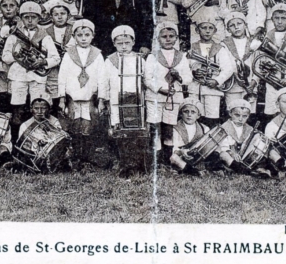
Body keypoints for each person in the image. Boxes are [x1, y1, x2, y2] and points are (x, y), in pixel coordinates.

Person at [2, 1, 60, 136]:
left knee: (38, 107)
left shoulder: (44, 36)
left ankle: (37, 138)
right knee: (17, 108)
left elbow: (56, 58)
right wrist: (18, 56)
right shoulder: (13, 35)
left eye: (33, 17)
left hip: (37, 77)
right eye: (26, 17)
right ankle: (16, 139)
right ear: (21, 18)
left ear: (39, 18)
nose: (29, 20)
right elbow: (5, 56)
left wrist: (42, 61)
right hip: (18, 75)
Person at [99, 26, 149, 178]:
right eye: (120, 43)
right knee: (121, 132)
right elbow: (103, 82)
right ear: (114, 43)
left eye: (127, 42)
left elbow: (146, 79)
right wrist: (102, 100)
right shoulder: (110, 61)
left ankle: (139, 165)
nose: (124, 46)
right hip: (116, 102)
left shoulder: (139, 59)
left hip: (135, 101)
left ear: (133, 42)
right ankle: (125, 166)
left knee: (136, 132)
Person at [57, 19, 105, 168]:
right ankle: (75, 157)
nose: (83, 38)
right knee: (74, 125)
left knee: (89, 126)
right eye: (79, 35)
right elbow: (62, 77)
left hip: (89, 98)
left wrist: (102, 99)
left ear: (93, 36)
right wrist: (62, 98)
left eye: (87, 35)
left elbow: (102, 78)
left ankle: (88, 157)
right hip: (73, 98)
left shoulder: (97, 55)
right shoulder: (68, 54)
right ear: (74, 36)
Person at [249, 3, 286, 119]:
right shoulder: (267, 37)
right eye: (276, 18)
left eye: (283, 18)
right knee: (271, 113)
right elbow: (258, 63)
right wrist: (254, 81)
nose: (280, 21)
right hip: (272, 82)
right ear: (272, 20)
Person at [144, 22, 193, 163]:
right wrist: (160, 88)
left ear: (176, 38)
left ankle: (167, 159)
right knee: (155, 126)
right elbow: (147, 78)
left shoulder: (181, 56)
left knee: (169, 127)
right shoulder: (153, 56)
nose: (168, 39)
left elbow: (189, 77)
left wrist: (179, 77)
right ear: (158, 39)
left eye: (171, 36)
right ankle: (155, 159)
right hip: (155, 96)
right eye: (164, 36)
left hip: (174, 97)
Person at [187, 13, 236, 128]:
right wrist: (194, 70)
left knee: (211, 118)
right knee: (194, 116)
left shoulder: (220, 49)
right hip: (195, 89)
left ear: (215, 31)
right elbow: (186, 65)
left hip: (212, 89)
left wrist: (217, 81)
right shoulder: (192, 47)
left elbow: (228, 69)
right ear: (197, 30)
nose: (207, 31)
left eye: (210, 28)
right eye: (204, 28)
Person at [7, 92, 67, 172]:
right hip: (34, 155)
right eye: (36, 108)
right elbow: (24, 147)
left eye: (43, 108)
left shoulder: (55, 122)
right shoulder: (25, 125)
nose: (39, 111)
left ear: (49, 109)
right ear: (31, 109)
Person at [217, 99, 270, 177]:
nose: (240, 119)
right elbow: (223, 146)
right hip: (231, 156)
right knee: (223, 154)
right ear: (230, 113)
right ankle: (241, 170)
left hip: (244, 157)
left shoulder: (249, 129)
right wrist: (232, 153)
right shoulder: (225, 127)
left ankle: (256, 169)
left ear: (248, 116)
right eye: (237, 115)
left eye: (244, 116)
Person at [220, 12, 258, 115]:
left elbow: (258, 64)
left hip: (251, 86)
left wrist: (254, 82)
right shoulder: (224, 44)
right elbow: (226, 63)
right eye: (232, 25)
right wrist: (237, 78)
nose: (236, 27)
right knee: (233, 112)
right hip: (233, 86)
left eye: (239, 23)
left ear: (245, 25)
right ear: (228, 30)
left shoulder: (254, 42)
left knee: (249, 113)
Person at [169, 98, 211, 176]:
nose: (189, 115)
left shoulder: (204, 128)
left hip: (198, 157)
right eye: (186, 111)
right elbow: (175, 148)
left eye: (193, 112)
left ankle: (193, 170)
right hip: (183, 156)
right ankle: (193, 172)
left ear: (198, 115)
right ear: (181, 114)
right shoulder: (176, 128)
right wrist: (181, 151)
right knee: (174, 158)